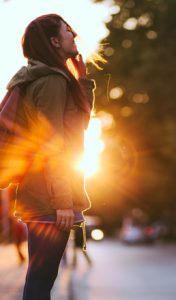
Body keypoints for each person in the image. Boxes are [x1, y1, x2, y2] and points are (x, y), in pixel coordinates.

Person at [5, 14, 96, 299]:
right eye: (67, 30)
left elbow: (75, 125)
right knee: (40, 285)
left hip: (42, 194)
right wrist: (63, 202)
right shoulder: (52, 81)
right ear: (55, 42)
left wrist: (82, 82)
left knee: (40, 281)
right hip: (50, 199)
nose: (74, 35)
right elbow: (52, 143)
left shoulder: (41, 78)